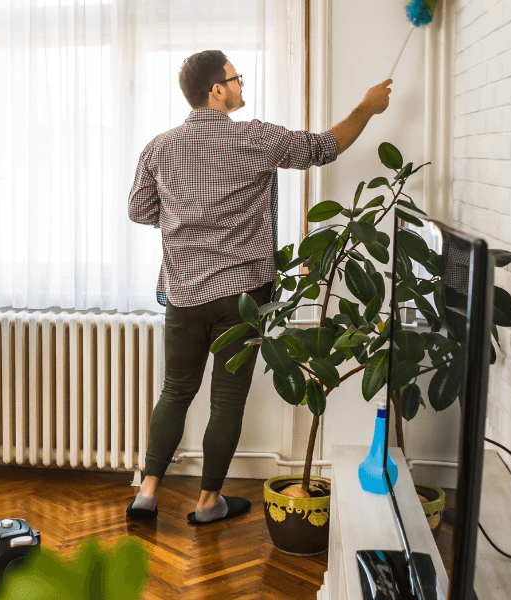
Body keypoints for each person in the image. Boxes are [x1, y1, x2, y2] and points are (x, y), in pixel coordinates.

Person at [126, 51, 391, 525]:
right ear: (217, 90)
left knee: (175, 390)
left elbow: (140, 211)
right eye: (236, 78)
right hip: (243, 297)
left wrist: (187, 220)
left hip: (184, 295)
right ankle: (207, 503)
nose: (241, 85)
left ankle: (147, 492)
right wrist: (366, 109)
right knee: (226, 399)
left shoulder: (159, 147)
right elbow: (324, 146)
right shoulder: (254, 138)